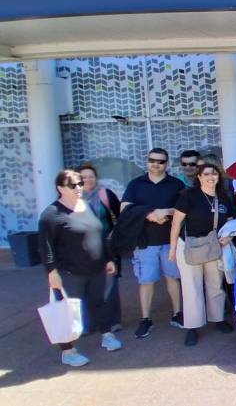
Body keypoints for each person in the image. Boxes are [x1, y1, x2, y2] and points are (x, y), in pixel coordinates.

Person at [40, 169, 121, 366]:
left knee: (99, 303)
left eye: (80, 184)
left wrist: (108, 259)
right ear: (60, 188)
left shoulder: (86, 206)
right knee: (67, 312)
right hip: (70, 272)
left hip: (96, 268)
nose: (78, 188)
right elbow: (45, 247)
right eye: (72, 185)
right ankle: (68, 352)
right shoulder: (51, 214)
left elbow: (99, 234)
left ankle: (107, 335)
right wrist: (52, 272)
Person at [168, 163, 236, 346]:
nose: (210, 177)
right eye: (206, 174)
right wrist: (173, 248)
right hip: (191, 246)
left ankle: (218, 318)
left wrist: (229, 237)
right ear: (199, 177)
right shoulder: (189, 195)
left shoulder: (223, 197)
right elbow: (176, 222)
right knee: (192, 287)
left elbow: (230, 223)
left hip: (214, 246)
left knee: (215, 284)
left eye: (214, 174)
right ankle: (192, 326)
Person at [121, 148, 185, 339]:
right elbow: (125, 208)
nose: (156, 164)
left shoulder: (176, 184)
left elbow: (185, 208)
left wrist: (166, 211)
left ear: (167, 163)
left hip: (171, 241)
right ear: (147, 161)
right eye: (152, 160)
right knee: (146, 280)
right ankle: (145, 319)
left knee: (173, 278)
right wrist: (149, 214)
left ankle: (178, 313)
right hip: (144, 242)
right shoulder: (135, 184)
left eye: (161, 161)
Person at [78, 164, 123, 332]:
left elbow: (120, 217)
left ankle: (112, 321)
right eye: (83, 177)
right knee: (85, 286)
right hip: (81, 248)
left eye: (91, 176)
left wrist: (114, 236)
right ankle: (88, 323)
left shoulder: (105, 194)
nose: (88, 180)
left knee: (109, 285)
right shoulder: (72, 198)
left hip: (106, 245)